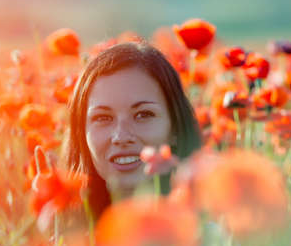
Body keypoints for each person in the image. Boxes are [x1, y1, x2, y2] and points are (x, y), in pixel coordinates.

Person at [63, 42, 202, 219]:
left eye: (143, 114)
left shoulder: (216, 241)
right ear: (82, 133)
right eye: (103, 118)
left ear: (174, 125)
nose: (121, 137)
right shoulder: (64, 241)